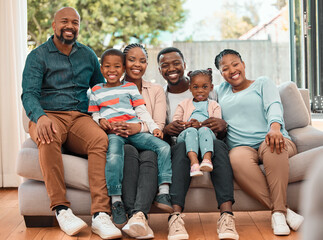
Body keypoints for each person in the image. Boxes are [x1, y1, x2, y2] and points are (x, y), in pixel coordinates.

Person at [21, 7, 122, 239]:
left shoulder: (87, 55)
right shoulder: (37, 56)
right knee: (48, 136)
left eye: (75, 22)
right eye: (64, 21)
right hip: (47, 114)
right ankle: (61, 209)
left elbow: (99, 89)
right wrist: (40, 117)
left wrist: (105, 115)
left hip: (79, 117)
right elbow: (29, 94)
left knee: (99, 139)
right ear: (53, 26)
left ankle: (100, 215)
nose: (70, 26)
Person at [214, 49, 304, 236]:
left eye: (235, 64)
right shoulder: (219, 91)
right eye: (225, 68)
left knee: (273, 146)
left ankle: (278, 213)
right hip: (241, 147)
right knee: (235, 158)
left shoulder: (262, 83)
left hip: (271, 137)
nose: (232, 70)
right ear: (220, 73)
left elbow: (273, 106)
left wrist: (275, 128)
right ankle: (282, 211)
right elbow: (200, 93)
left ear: (243, 64)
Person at [158, 47, 239, 240]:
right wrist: (168, 129)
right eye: (165, 65)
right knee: (179, 150)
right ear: (160, 70)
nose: (171, 68)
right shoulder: (162, 96)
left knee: (219, 147)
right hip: (183, 142)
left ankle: (227, 217)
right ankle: (175, 217)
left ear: (184, 66)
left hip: (210, 140)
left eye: (176, 63)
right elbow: (160, 126)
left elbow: (220, 118)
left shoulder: (210, 91)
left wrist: (221, 124)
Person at [88, 48, 172, 229]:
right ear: (101, 69)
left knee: (164, 147)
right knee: (114, 157)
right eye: (108, 66)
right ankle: (117, 201)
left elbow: (142, 111)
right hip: (115, 134)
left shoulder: (130, 88)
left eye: (117, 66)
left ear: (122, 69)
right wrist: (101, 120)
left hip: (137, 132)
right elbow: (94, 115)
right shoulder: (95, 91)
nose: (112, 70)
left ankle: (164, 191)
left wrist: (154, 128)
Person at [107, 43, 168, 239]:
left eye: (142, 61)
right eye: (132, 60)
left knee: (150, 154)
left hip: (146, 138)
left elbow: (159, 124)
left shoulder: (156, 90)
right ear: (123, 63)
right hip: (123, 141)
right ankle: (133, 214)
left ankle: (138, 215)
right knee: (129, 153)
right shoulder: (110, 88)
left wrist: (138, 127)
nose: (137, 65)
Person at [172, 68, 221, 177]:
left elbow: (216, 124)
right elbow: (176, 123)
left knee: (204, 130)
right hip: (187, 134)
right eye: (195, 87)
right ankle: (194, 163)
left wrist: (200, 124)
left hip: (207, 134)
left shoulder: (214, 105)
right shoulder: (183, 104)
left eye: (204, 87)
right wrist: (187, 124)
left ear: (211, 87)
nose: (200, 90)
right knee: (191, 131)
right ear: (190, 88)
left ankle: (207, 160)